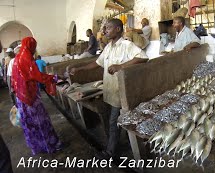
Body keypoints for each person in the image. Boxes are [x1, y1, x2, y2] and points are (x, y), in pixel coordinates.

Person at [70, 19, 148, 158]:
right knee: (114, 121)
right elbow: (97, 63)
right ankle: (120, 143)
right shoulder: (108, 47)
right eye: (105, 28)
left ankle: (111, 151)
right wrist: (79, 69)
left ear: (118, 29)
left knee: (113, 122)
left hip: (120, 92)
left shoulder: (126, 45)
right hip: (110, 91)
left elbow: (143, 57)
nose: (105, 30)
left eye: (108, 28)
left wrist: (121, 66)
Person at [11, 37, 63, 155]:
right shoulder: (26, 58)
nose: (34, 49)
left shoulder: (17, 58)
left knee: (29, 124)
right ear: (31, 46)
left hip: (21, 97)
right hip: (30, 98)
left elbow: (15, 79)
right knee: (40, 121)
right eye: (34, 46)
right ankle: (51, 145)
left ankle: (37, 147)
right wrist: (54, 77)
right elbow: (37, 76)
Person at [0, 40, 15, 173]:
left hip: (12, 83)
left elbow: (7, 74)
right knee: (2, 160)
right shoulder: (12, 60)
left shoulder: (9, 60)